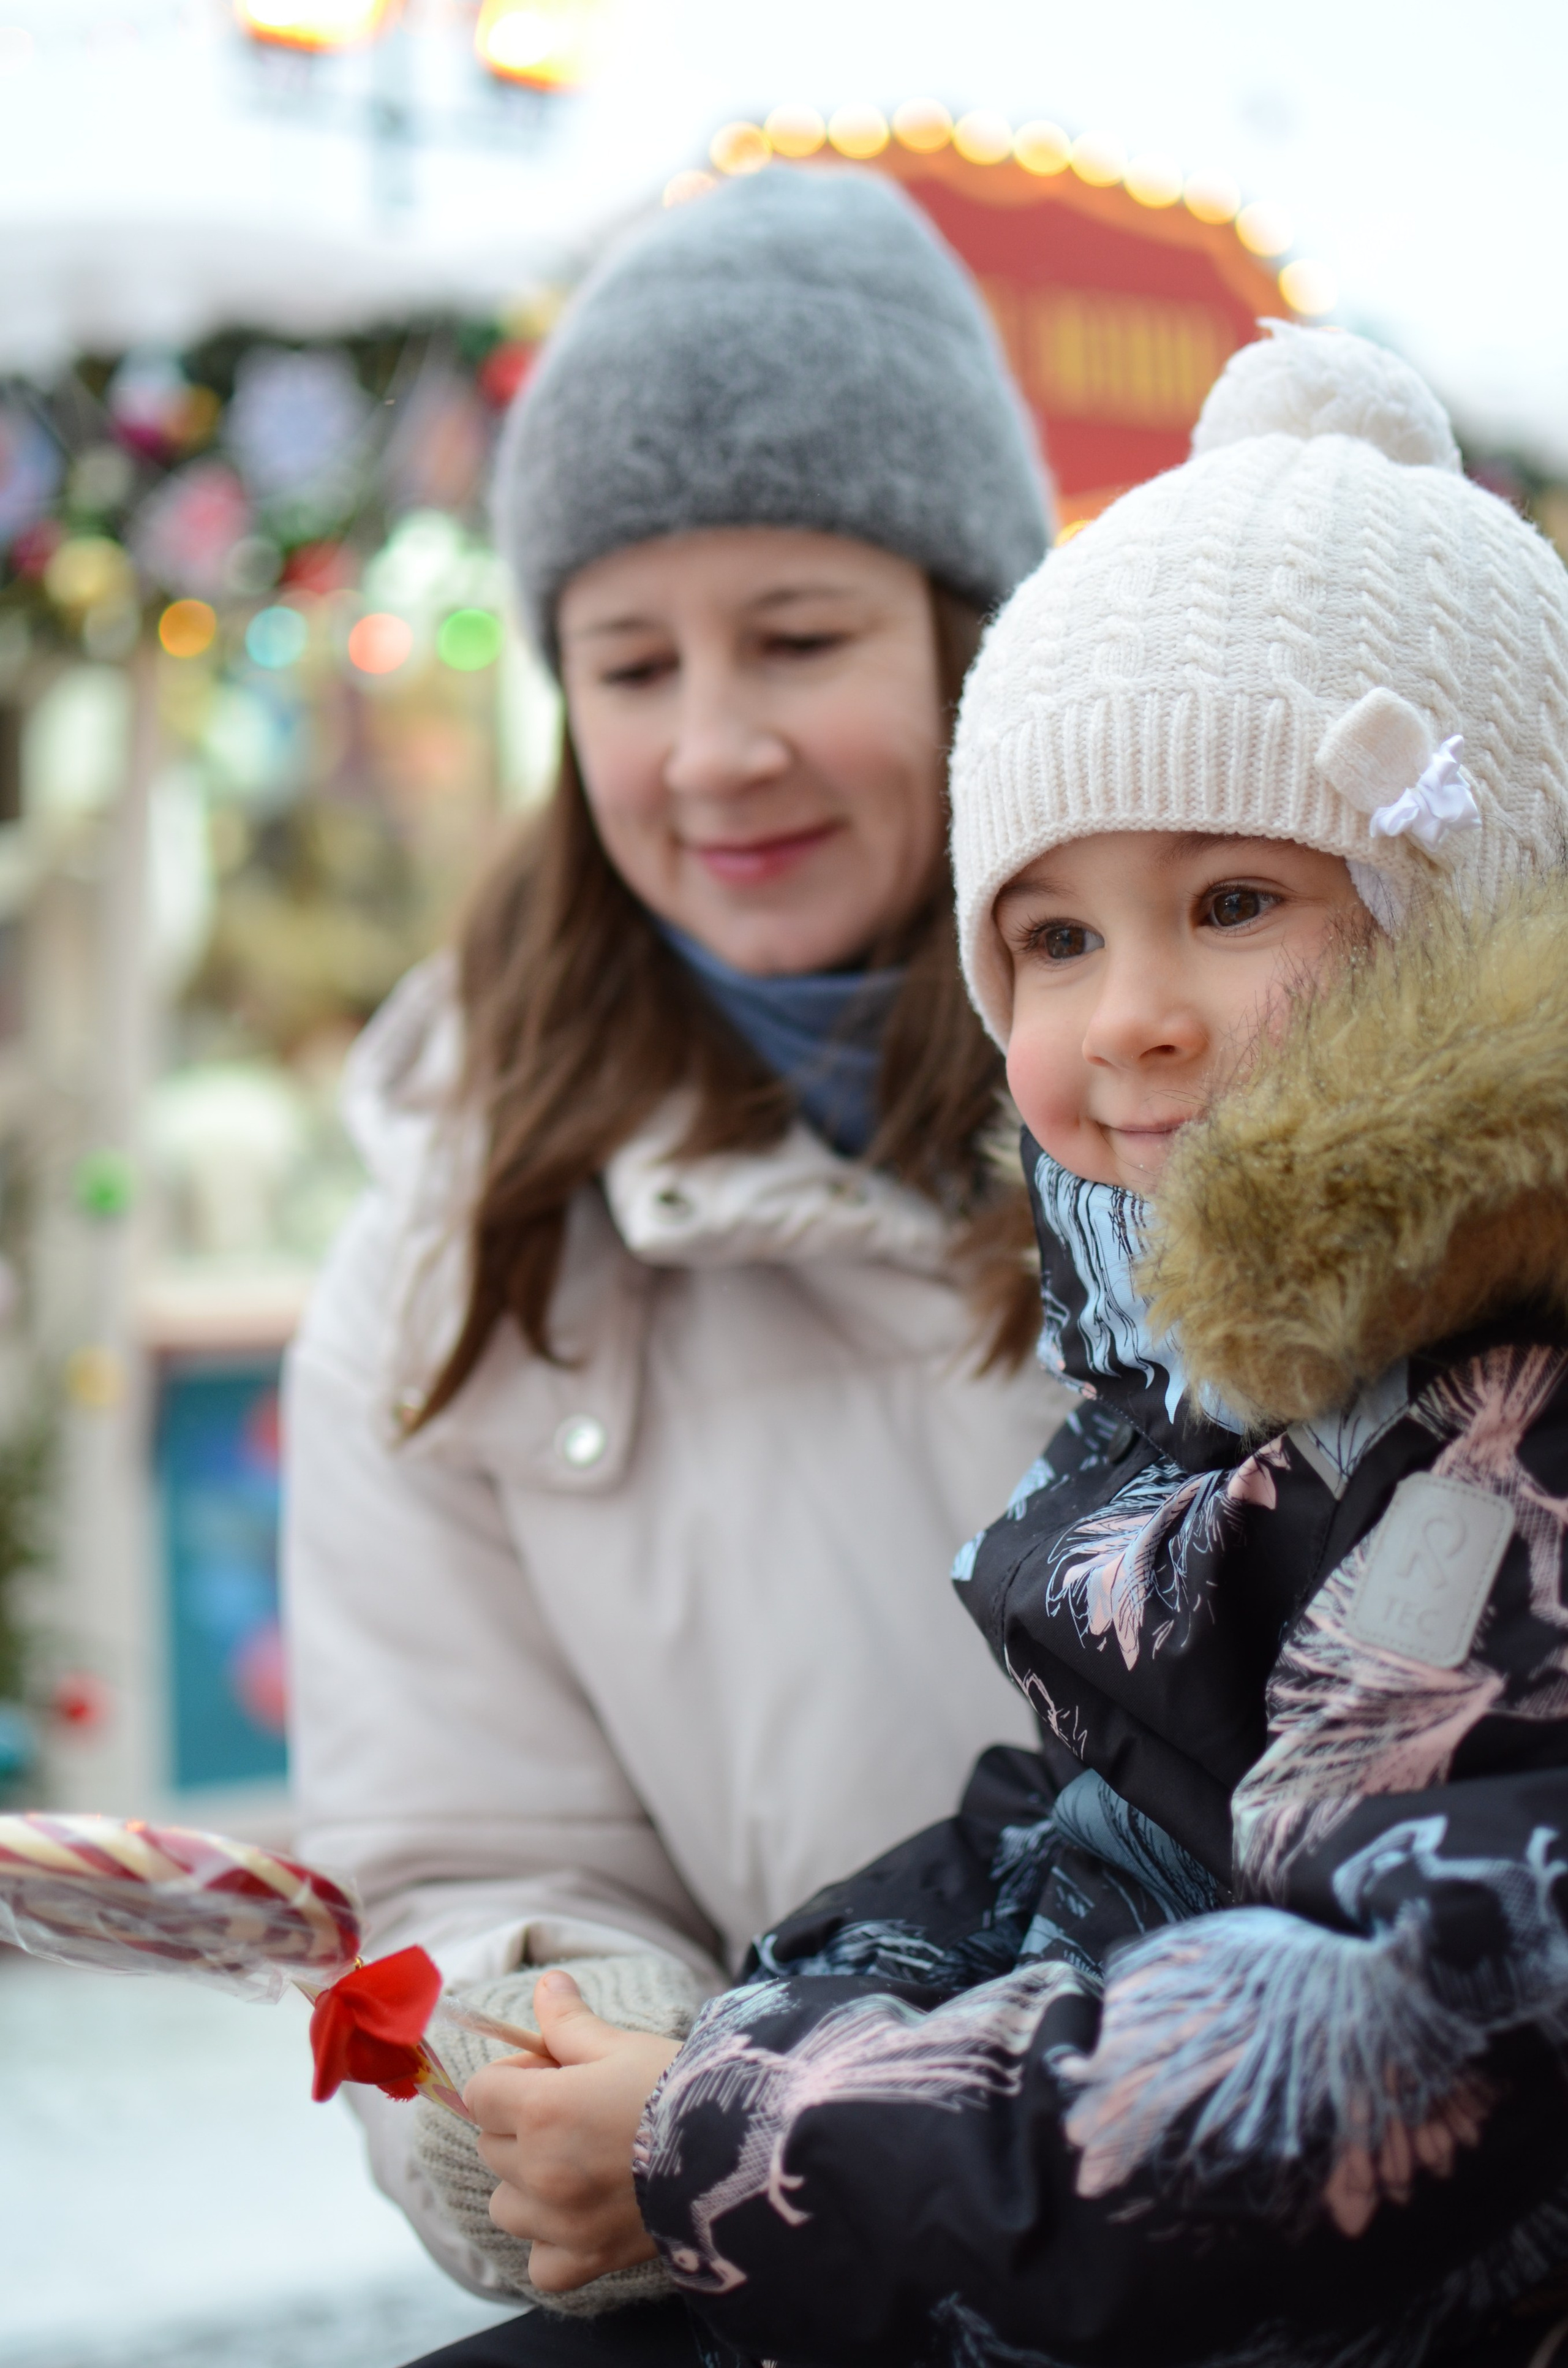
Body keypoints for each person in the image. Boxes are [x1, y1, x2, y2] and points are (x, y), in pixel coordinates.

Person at [458, 324, 1568, 2368]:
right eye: (1054, 936)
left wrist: (732, 2131)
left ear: (1476, 920)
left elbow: (1377, 2050)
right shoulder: (1205, 1388)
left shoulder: (1508, 1442)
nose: (1130, 1011)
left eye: (1236, 900)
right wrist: (758, 2032)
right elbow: (1082, 1820)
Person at [281, 162, 1066, 2340]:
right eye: (632, 662)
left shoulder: (1215, 1101)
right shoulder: (453, 1271)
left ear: (972, 638)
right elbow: (437, 1878)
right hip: (818, 2252)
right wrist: (557, 2070)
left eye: (800, 638)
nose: (715, 748)